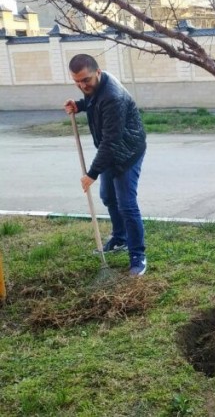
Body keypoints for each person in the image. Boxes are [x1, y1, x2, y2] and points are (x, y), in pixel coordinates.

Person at [64, 54, 148, 276]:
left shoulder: (113, 96)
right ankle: (120, 238)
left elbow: (111, 140)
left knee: (126, 204)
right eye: (77, 82)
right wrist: (80, 105)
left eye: (86, 80)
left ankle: (137, 254)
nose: (82, 85)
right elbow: (93, 103)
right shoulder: (97, 87)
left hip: (127, 152)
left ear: (98, 73)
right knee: (108, 197)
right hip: (111, 152)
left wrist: (92, 174)